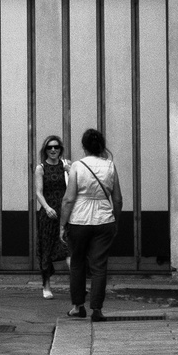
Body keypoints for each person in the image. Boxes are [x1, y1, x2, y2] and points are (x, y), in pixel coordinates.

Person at [60, 128, 123, 322]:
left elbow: (69, 199)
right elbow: (118, 199)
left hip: (79, 221)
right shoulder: (110, 166)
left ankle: (78, 307)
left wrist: (62, 225)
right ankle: (97, 309)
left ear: (84, 147)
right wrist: (115, 220)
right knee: (99, 266)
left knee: (77, 263)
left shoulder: (77, 167)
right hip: (104, 221)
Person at [33, 134, 71, 299]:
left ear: (60, 149)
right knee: (46, 250)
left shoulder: (66, 165)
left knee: (70, 249)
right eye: (50, 147)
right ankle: (46, 285)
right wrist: (47, 207)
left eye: (56, 147)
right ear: (45, 150)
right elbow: (38, 192)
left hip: (65, 213)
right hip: (48, 214)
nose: (53, 150)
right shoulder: (41, 168)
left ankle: (77, 284)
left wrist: (70, 170)